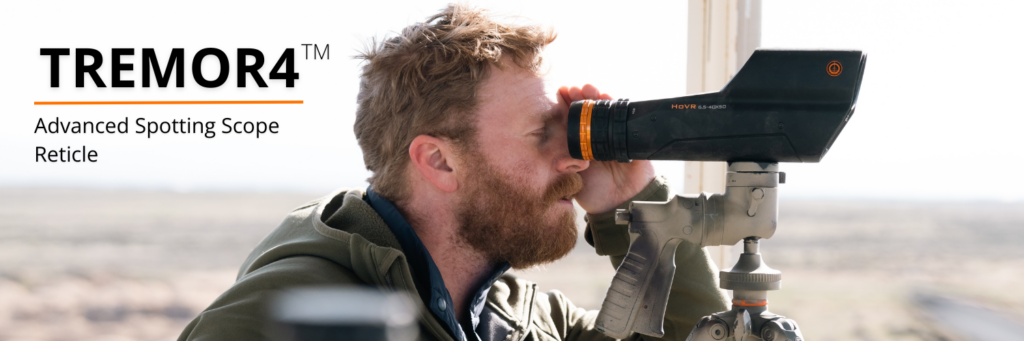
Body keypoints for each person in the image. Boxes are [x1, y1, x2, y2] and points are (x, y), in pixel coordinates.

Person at [177, 4, 727, 341]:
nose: (575, 161)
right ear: (439, 161)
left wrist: (634, 206)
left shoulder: (521, 320)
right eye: (543, 136)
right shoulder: (275, 319)